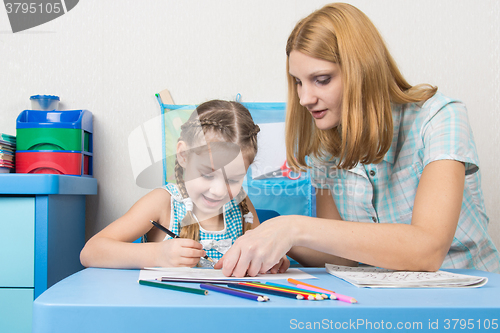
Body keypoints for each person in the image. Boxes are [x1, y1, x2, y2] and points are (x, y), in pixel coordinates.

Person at [214, 3, 500, 277]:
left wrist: (292, 228)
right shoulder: (325, 145)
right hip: (382, 296)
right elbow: (342, 255)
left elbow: (428, 249)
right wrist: (270, 239)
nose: (304, 98)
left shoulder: (439, 118)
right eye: (298, 81)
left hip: (467, 294)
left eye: (321, 79)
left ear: (362, 71)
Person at [80, 100, 289, 271]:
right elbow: (91, 251)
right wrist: (157, 254)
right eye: (207, 175)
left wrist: (271, 261)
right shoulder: (164, 203)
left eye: (233, 180)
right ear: (183, 155)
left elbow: (263, 250)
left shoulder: (242, 205)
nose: (218, 190)